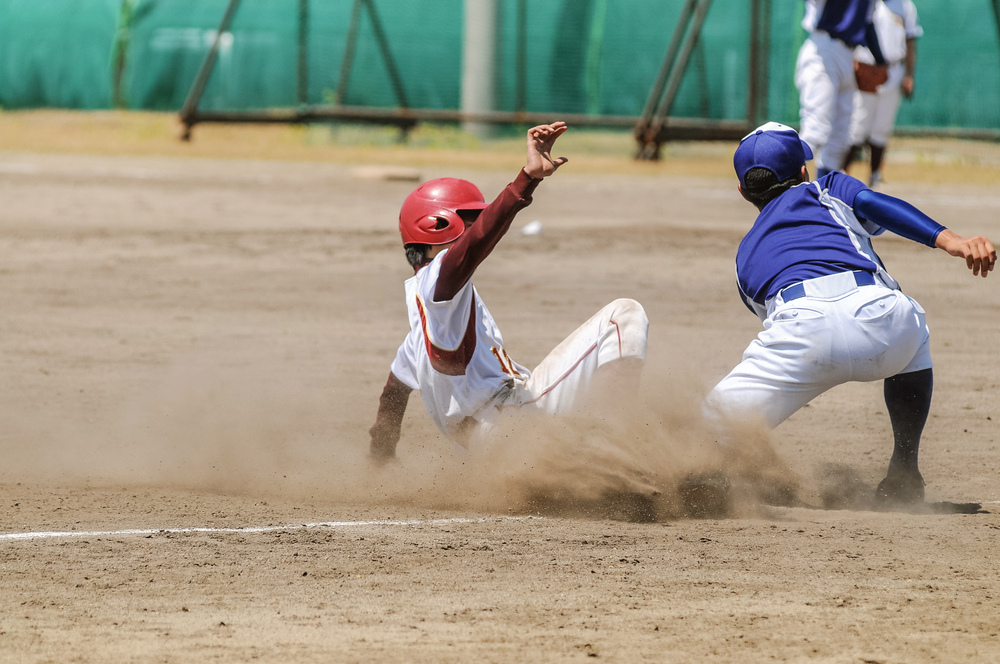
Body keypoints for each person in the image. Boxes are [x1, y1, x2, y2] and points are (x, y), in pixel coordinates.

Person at [705, 122, 996, 508]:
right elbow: (876, 206)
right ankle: (904, 471)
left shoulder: (745, 254)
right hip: (881, 319)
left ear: (743, 192)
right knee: (912, 324)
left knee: (708, 428)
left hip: (800, 331)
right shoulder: (827, 188)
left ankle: (703, 483)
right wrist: (951, 241)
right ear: (804, 172)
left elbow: (770, 313)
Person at [368, 122, 648, 461]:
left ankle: (594, 454)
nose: (479, 223)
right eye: (471, 218)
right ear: (438, 225)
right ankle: (619, 443)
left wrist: (379, 459)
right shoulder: (437, 280)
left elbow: (394, 392)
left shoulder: (418, 332)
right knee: (624, 315)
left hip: (494, 442)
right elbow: (476, 243)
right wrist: (526, 180)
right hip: (512, 421)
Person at [796, 0, 888, 177]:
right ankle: (781, 185)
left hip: (849, 56)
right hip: (823, 50)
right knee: (816, 130)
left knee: (840, 138)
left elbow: (867, 22)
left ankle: (825, 192)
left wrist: (881, 61)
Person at [844, 0, 922, 187]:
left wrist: (909, 75)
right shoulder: (866, 3)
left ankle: (875, 175)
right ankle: (840, 173)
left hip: (894, 70)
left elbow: (910, 40)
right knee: (857, 126)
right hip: (867, 70)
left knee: (882, 127)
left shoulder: (905, 5)